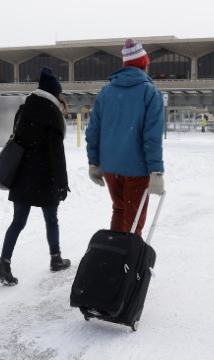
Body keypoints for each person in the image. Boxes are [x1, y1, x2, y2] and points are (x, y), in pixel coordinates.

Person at [0, 67, 71, 286]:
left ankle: (4, 264)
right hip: (44, 177)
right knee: (51, 219)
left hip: (22, 174)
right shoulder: (53, 116)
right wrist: (62, 183)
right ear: (55, 94)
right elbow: (56, 153)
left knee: (17, 222)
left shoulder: (24, 109)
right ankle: (55, 258)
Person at [85, 38, 165, 236]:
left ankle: (113, 259)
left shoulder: (106, 92)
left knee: (119, 211)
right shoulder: (150, 92)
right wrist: (156, 171)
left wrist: (94, 162)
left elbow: (93, 130)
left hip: (111, 168)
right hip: (137, 170)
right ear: (144, 65)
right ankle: (128, 264)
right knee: (134, 219)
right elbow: (152, 136)